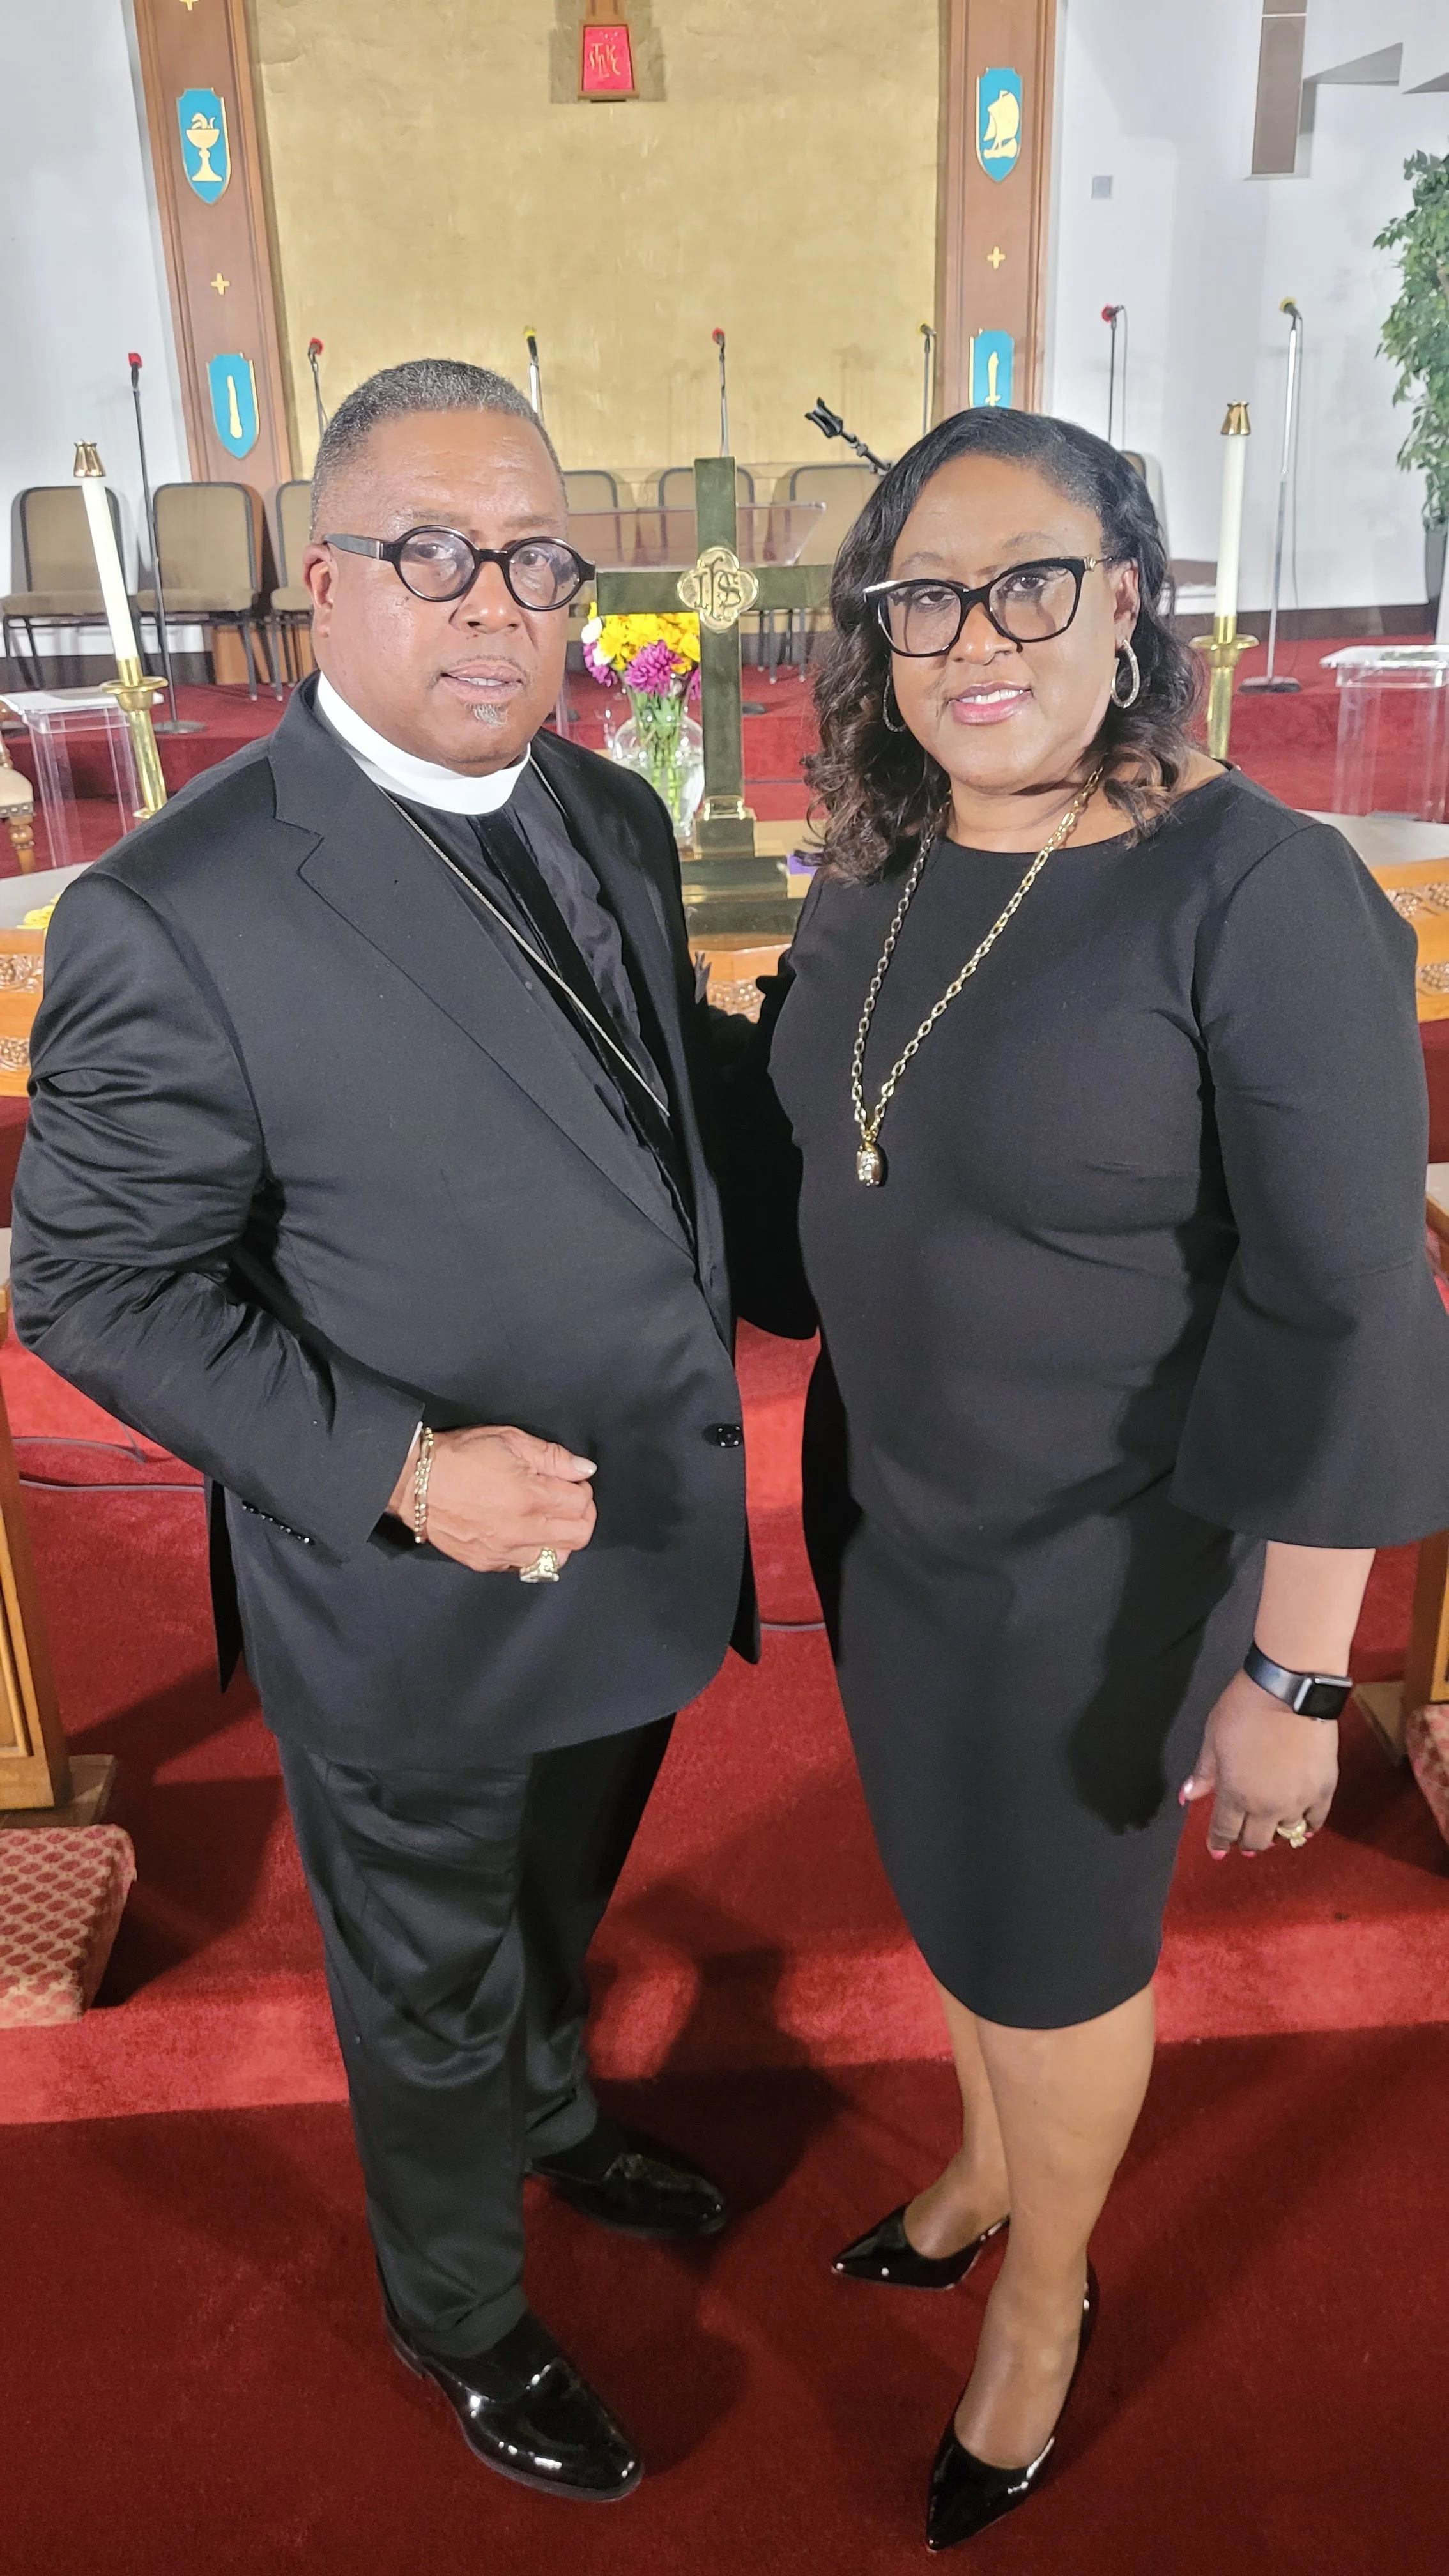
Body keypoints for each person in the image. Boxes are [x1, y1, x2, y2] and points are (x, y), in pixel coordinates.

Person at [11, 359, 756, 2506]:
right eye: (432, 554)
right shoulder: (181, 909)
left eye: (533, 557)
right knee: (423, 1971)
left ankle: (554, 2107)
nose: (493, 603)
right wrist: (409, 1471)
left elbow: (651, 1131)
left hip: (633, 1518)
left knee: (558, 1890)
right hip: (409, 1571)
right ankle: (460, 2309)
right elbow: (92, 1286)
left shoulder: (607, 812)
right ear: (323, 585)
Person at [752, 408, 1449, 2549]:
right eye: (925, 599)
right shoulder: (879, 872)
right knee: (951, 1887)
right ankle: (983, 2169)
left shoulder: (1258, 897)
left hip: (1107, 1554)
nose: (976, 639)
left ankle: (1042, 2294)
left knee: (1054, 1952)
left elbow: (1349, 1309)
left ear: (1127, 599)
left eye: (1029, 583)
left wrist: (1299, 1679)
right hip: (893, 1508)